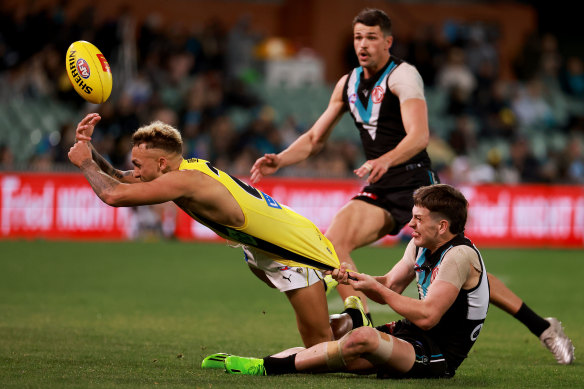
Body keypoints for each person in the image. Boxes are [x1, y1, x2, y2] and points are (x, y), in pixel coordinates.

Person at [249, 7, 574, 364]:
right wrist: (279, 158)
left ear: (388, 42)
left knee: (460, 266)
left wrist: (385, 159)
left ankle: (543, 327)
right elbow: (314, 138)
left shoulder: (403, 76)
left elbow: (419, 135)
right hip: (380, 186)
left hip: (416, 184)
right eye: (358, 37)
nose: (364, 44)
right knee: (334, 240)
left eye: (372, 37)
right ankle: (357, 313)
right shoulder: (347, 84)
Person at [69, 113, 364, 348]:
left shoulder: (185, 181)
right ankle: (341, 306)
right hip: (262, 245)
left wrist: (83, 162)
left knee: (320, 348)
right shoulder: (180, 170)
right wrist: (90, 148)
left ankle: (355, 316)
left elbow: (113, 195)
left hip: (293, 247)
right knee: (258, 264)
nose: (134, 171)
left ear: (161, 163)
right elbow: (120, 178)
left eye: (138, 165)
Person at [202, 184, 489, 378]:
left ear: (442, 226)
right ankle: (257, 363)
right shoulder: (421, 245)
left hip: (438, 354)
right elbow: (389, 285)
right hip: (411, 335)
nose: (410, 224)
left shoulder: (460, 256)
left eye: (418, 219)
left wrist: (373, 288)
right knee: (337, 339)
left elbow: (428, 317)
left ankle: (265, 367)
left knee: (360, 338)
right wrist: (354, 278)